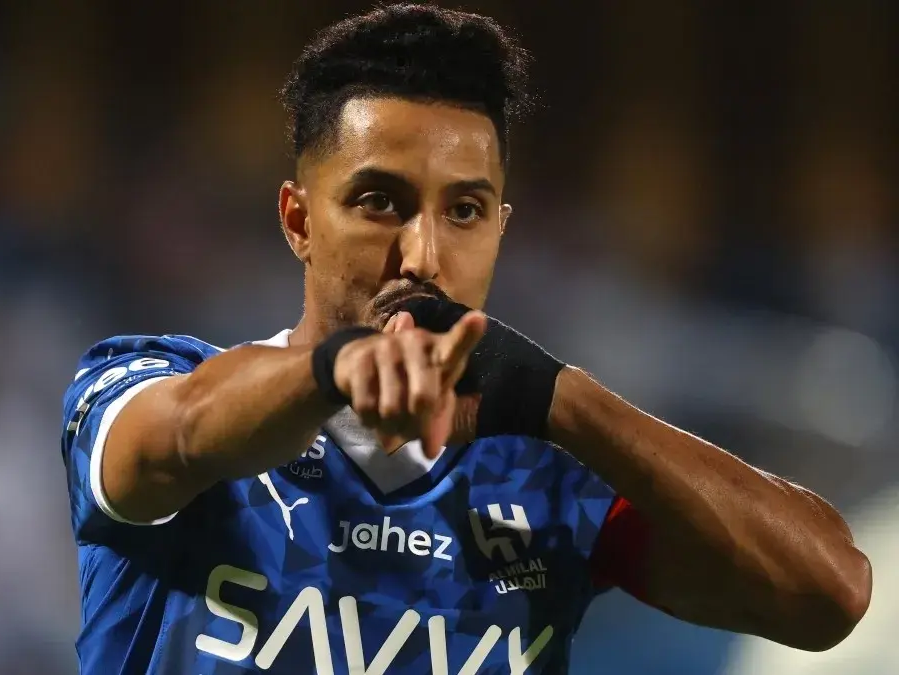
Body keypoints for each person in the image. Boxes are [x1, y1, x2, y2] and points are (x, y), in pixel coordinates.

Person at [60, 5, 871, 673]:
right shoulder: (142, 378)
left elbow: (829, 594)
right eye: (380, 202)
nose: (422, 255)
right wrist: (334, 369)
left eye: (465, 211)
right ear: (299, 220)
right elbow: (180, 434)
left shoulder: (549, 479)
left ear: (500, 228)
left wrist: (560, 397)